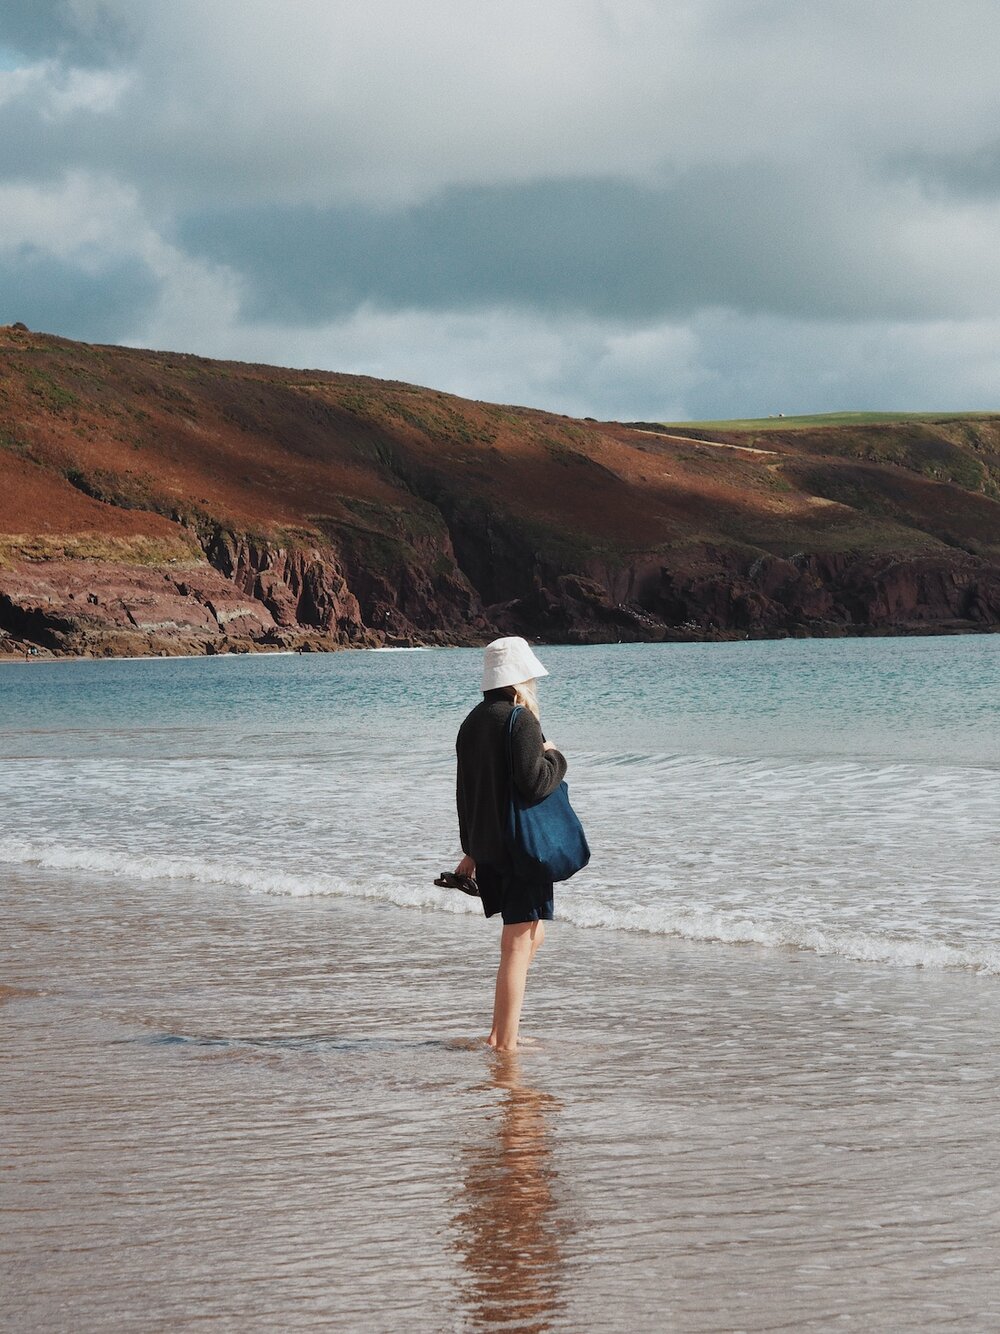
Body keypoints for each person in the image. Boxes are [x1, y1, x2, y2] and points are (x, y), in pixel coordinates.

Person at [454, 636, 568, 1051]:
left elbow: (467, 792)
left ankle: (501, 1030)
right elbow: (534, 782)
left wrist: (471, 849)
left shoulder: (472, 722)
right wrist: (556, 757)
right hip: (521, 848)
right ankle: (505, 1042)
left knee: (528, 937)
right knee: (519, 942)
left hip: (491, 846)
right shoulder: (519, 719)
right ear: (520, 678)